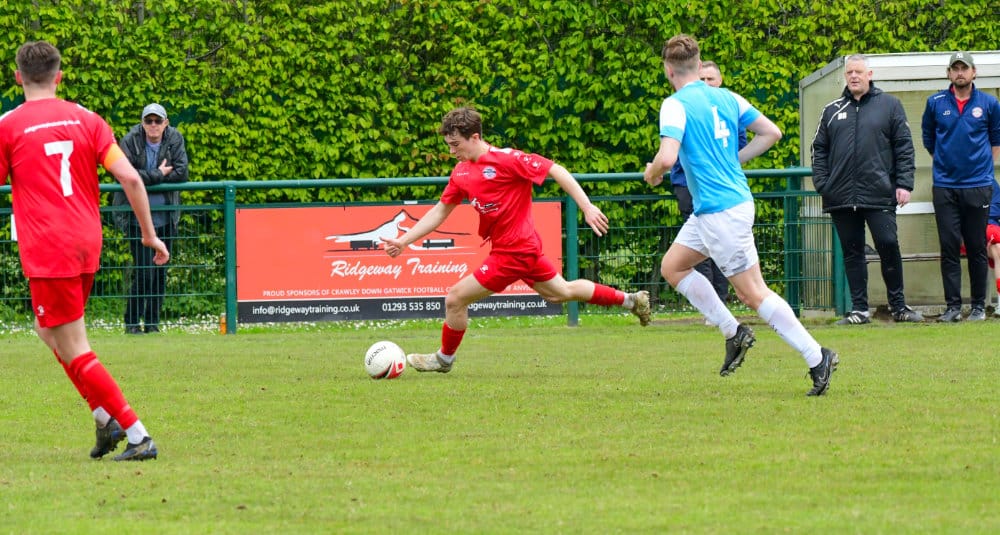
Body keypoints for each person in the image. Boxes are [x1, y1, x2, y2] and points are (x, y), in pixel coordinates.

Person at [383, 107, 650, 373]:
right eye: (449, 145)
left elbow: (556, 170)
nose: (452, 151)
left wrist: (587, 207)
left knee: (455, 299)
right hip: (520, 249)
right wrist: (405, 241)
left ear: (474, 137)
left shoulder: (508, 160)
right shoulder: (461, 172)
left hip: (514, 252)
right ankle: (631, 300)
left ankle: (444, 359)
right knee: (561, 292)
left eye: (456, 144)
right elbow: (441, 210)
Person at [643, 34, 837, 396]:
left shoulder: (674, 104)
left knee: (753, 293)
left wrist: (652, 173)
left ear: (668, 70)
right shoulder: (728, 98)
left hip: (721, 213)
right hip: (719, 208)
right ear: (698, 64)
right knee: (673, 267)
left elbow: (667, 158)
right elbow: (772, 132)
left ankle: (817, 356)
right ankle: (733, 332)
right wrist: (734, 160)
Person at [0, 41, 166, 460]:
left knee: (74, 345)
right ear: (59, 77)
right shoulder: (88, 119)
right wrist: (149, 235)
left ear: (18, 77)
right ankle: (103, 419)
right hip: (86, 242)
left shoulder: (8, 126)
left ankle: (137, 434)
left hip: (48, 247)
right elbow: (132, 179)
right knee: (48, 331)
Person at [811, 54, 923, 325]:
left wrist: (904, 184)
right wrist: (823, 184)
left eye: (858, 72)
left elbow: (904, 147)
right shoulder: (831, 110)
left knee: (888, 244)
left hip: (879, 193)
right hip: (840, 196)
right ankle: (860, 311)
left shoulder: (890, 105)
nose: (854, 76)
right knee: (852, 252)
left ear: (869, 75)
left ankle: (899, 307)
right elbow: (818, 149)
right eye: (850, 72)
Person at [921, 51, 1000, 322]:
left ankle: (978, 307)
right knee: (949, 246)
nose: (959, 73)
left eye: (964, 68)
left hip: (978, 186)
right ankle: (953, 307)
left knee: (977, 246)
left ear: (973, 72)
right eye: (955, 68)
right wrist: (946, 164)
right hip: (945, 186)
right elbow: (929, 139)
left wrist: (981, 169)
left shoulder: (989, 103)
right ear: (948, 74)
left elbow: (996, 140)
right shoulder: (935, 103)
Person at [668, 60, 743, 307]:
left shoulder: (729, 104)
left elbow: (746, 140)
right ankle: (712, 306)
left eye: (711, 79)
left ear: (720, 81)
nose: (706, 83)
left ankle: (720, 301)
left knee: (745, 281)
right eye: (703, 79)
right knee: (690, 255)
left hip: (722, 191)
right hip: (689, 187)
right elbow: (672, 148)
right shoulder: (681, 106)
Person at [113, 103, 189, 334]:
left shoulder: (175, 138)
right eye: (149, 121)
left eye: (158, 121)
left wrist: (145, 178)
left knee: (160, 273)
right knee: (144, 271)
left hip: (166, 216)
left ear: (166, 123)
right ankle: (132, 323)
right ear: (142, 123)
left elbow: (182, 172)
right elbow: (123, 175)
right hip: (136, 218)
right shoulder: (130, 140)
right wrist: (159, 174)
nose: (153, 125)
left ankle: (153, 324)